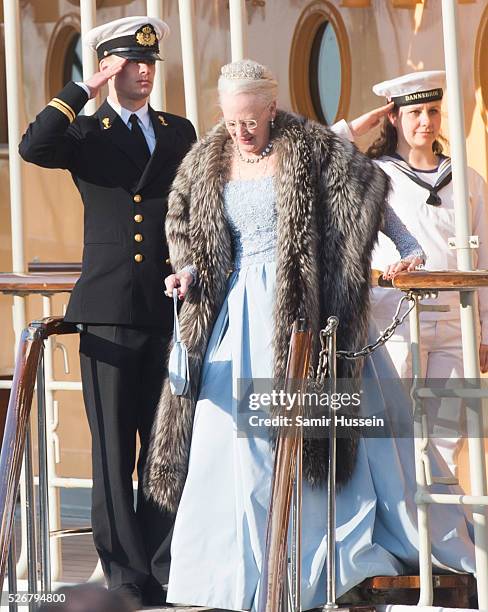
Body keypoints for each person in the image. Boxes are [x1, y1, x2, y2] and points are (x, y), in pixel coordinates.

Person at [143, 59, 475, 610]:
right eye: (231, 123)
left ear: (271, 109)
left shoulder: (310, 149)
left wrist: (409, 250)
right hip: (234, 315)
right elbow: (201, 244)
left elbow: (370, 195)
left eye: (250, 121)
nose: (241, 133)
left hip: (304, 315)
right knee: (228, 443)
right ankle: (229, 579)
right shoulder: (206, 161)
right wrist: (188, 274)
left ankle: (300, 567)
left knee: (299, 443)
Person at [19, 16, 196, 606]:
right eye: (129, 64)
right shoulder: (87, 134)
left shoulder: (177, 131)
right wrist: (84, 89)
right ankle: (125, 575)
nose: (142, 73)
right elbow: (34, 145)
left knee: (166, 447)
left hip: (168, 307)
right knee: (114, 450)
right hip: (109, 307)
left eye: (148, 65)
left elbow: (195, 207)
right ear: (110, 66)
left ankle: (164, 565)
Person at [365, 70, 488, 475]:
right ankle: (402, 533)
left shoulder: (467, 180)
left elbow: (483, 254)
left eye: (433, 110)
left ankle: (443, 536)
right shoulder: (374, 177)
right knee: (393, 432)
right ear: (394, 117)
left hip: (457, 323)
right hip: (396, 320)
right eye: (415, 111)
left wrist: (485, 331)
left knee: (448, 437)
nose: (426, 121)